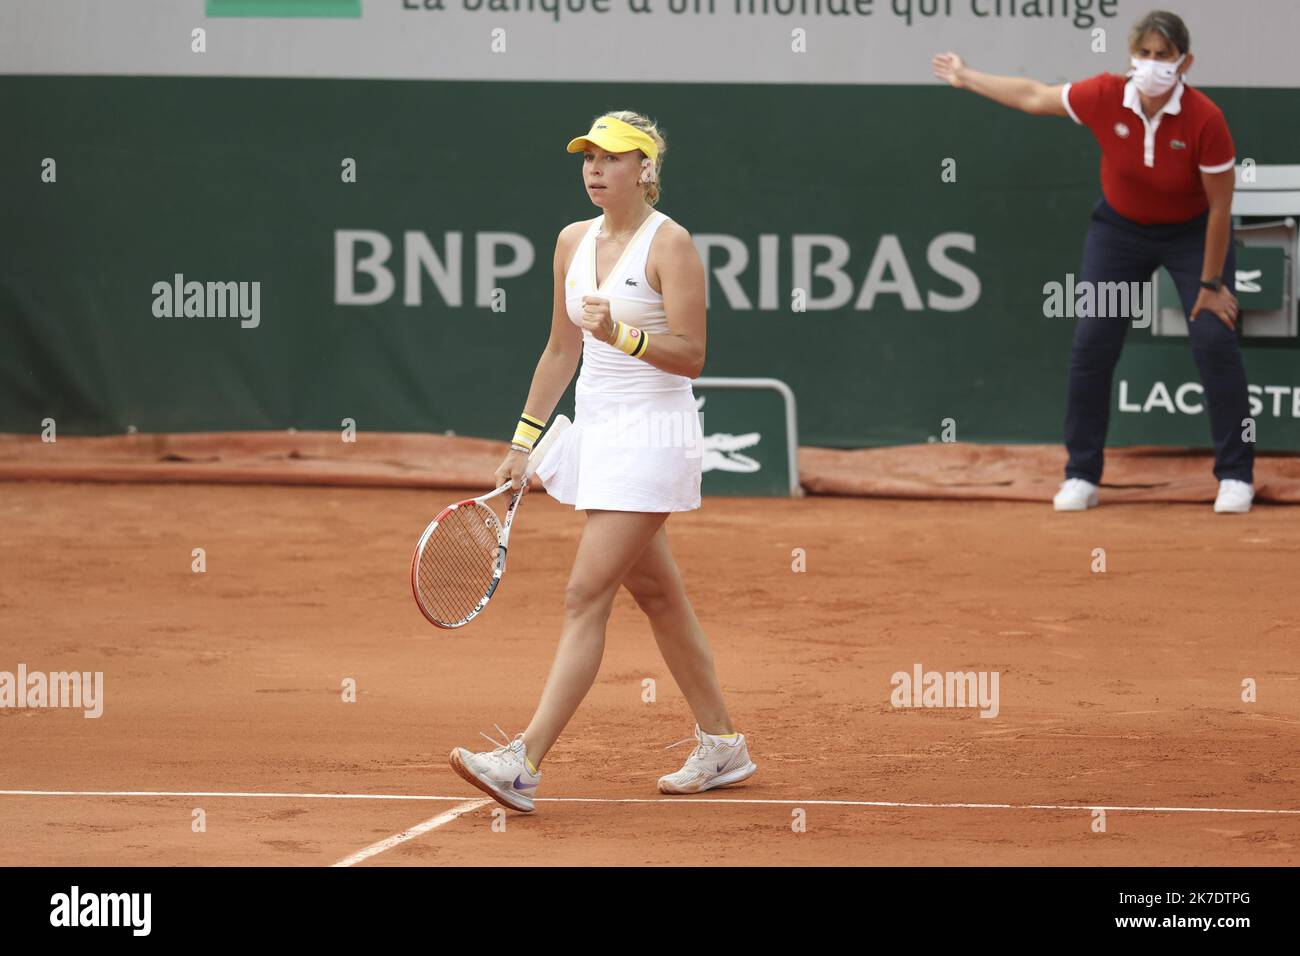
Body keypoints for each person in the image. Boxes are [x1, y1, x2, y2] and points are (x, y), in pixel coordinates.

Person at [447, 111, 758, 812]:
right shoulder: (570, 242)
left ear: (645, 169)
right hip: (598, 432)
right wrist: (524, 439)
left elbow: (692, 355)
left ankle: (522, 761)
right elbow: (561, 349)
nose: (595, 168)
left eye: (612, 157)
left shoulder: (670, 244)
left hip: (653, 439)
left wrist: (619, 332)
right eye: (588, 156)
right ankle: (723, 745)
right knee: (658, 596)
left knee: (585, 594)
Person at [933, 9, 1255, 514]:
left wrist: (1212, 283)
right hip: (1121, 232)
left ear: (1184, 62)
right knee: (1093, 342)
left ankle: (1236, 476)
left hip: (1193, 235)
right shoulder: (1105, 95)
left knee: (1215, 340)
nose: (1151, 65)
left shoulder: (1205, 119)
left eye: (1163, 56)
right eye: (1143, 54)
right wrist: (966, 76)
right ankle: (1082, 474)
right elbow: (1035, 96)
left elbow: (1220, 207)